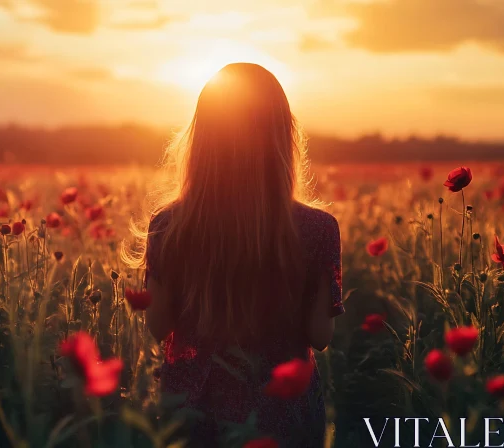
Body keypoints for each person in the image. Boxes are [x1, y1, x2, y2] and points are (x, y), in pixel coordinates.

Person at [125, 63, 343, 447]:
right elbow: (320, 335)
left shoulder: (169, 226)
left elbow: (158, 327)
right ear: (282, 136)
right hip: (283, 418)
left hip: (193, 415)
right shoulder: (318, 229)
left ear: (202, 137)